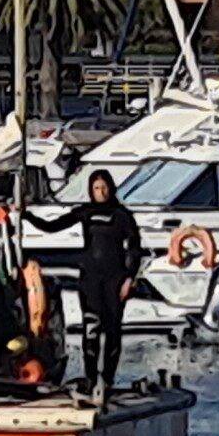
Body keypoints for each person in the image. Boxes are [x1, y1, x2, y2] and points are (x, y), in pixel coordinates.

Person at [67, 167, 142, 392]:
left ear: (111, 188)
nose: (101, 192)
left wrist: (129, 278)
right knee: (91, 328)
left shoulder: (122, 216)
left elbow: (135, 249)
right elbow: (52, 226)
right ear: (91, 191)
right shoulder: (86, 212)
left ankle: (107, 379)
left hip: (115, 280)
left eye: (104, 187)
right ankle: (90, 377)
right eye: (96, 188)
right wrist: (24, 215)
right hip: (90, 279)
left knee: (112, 330)